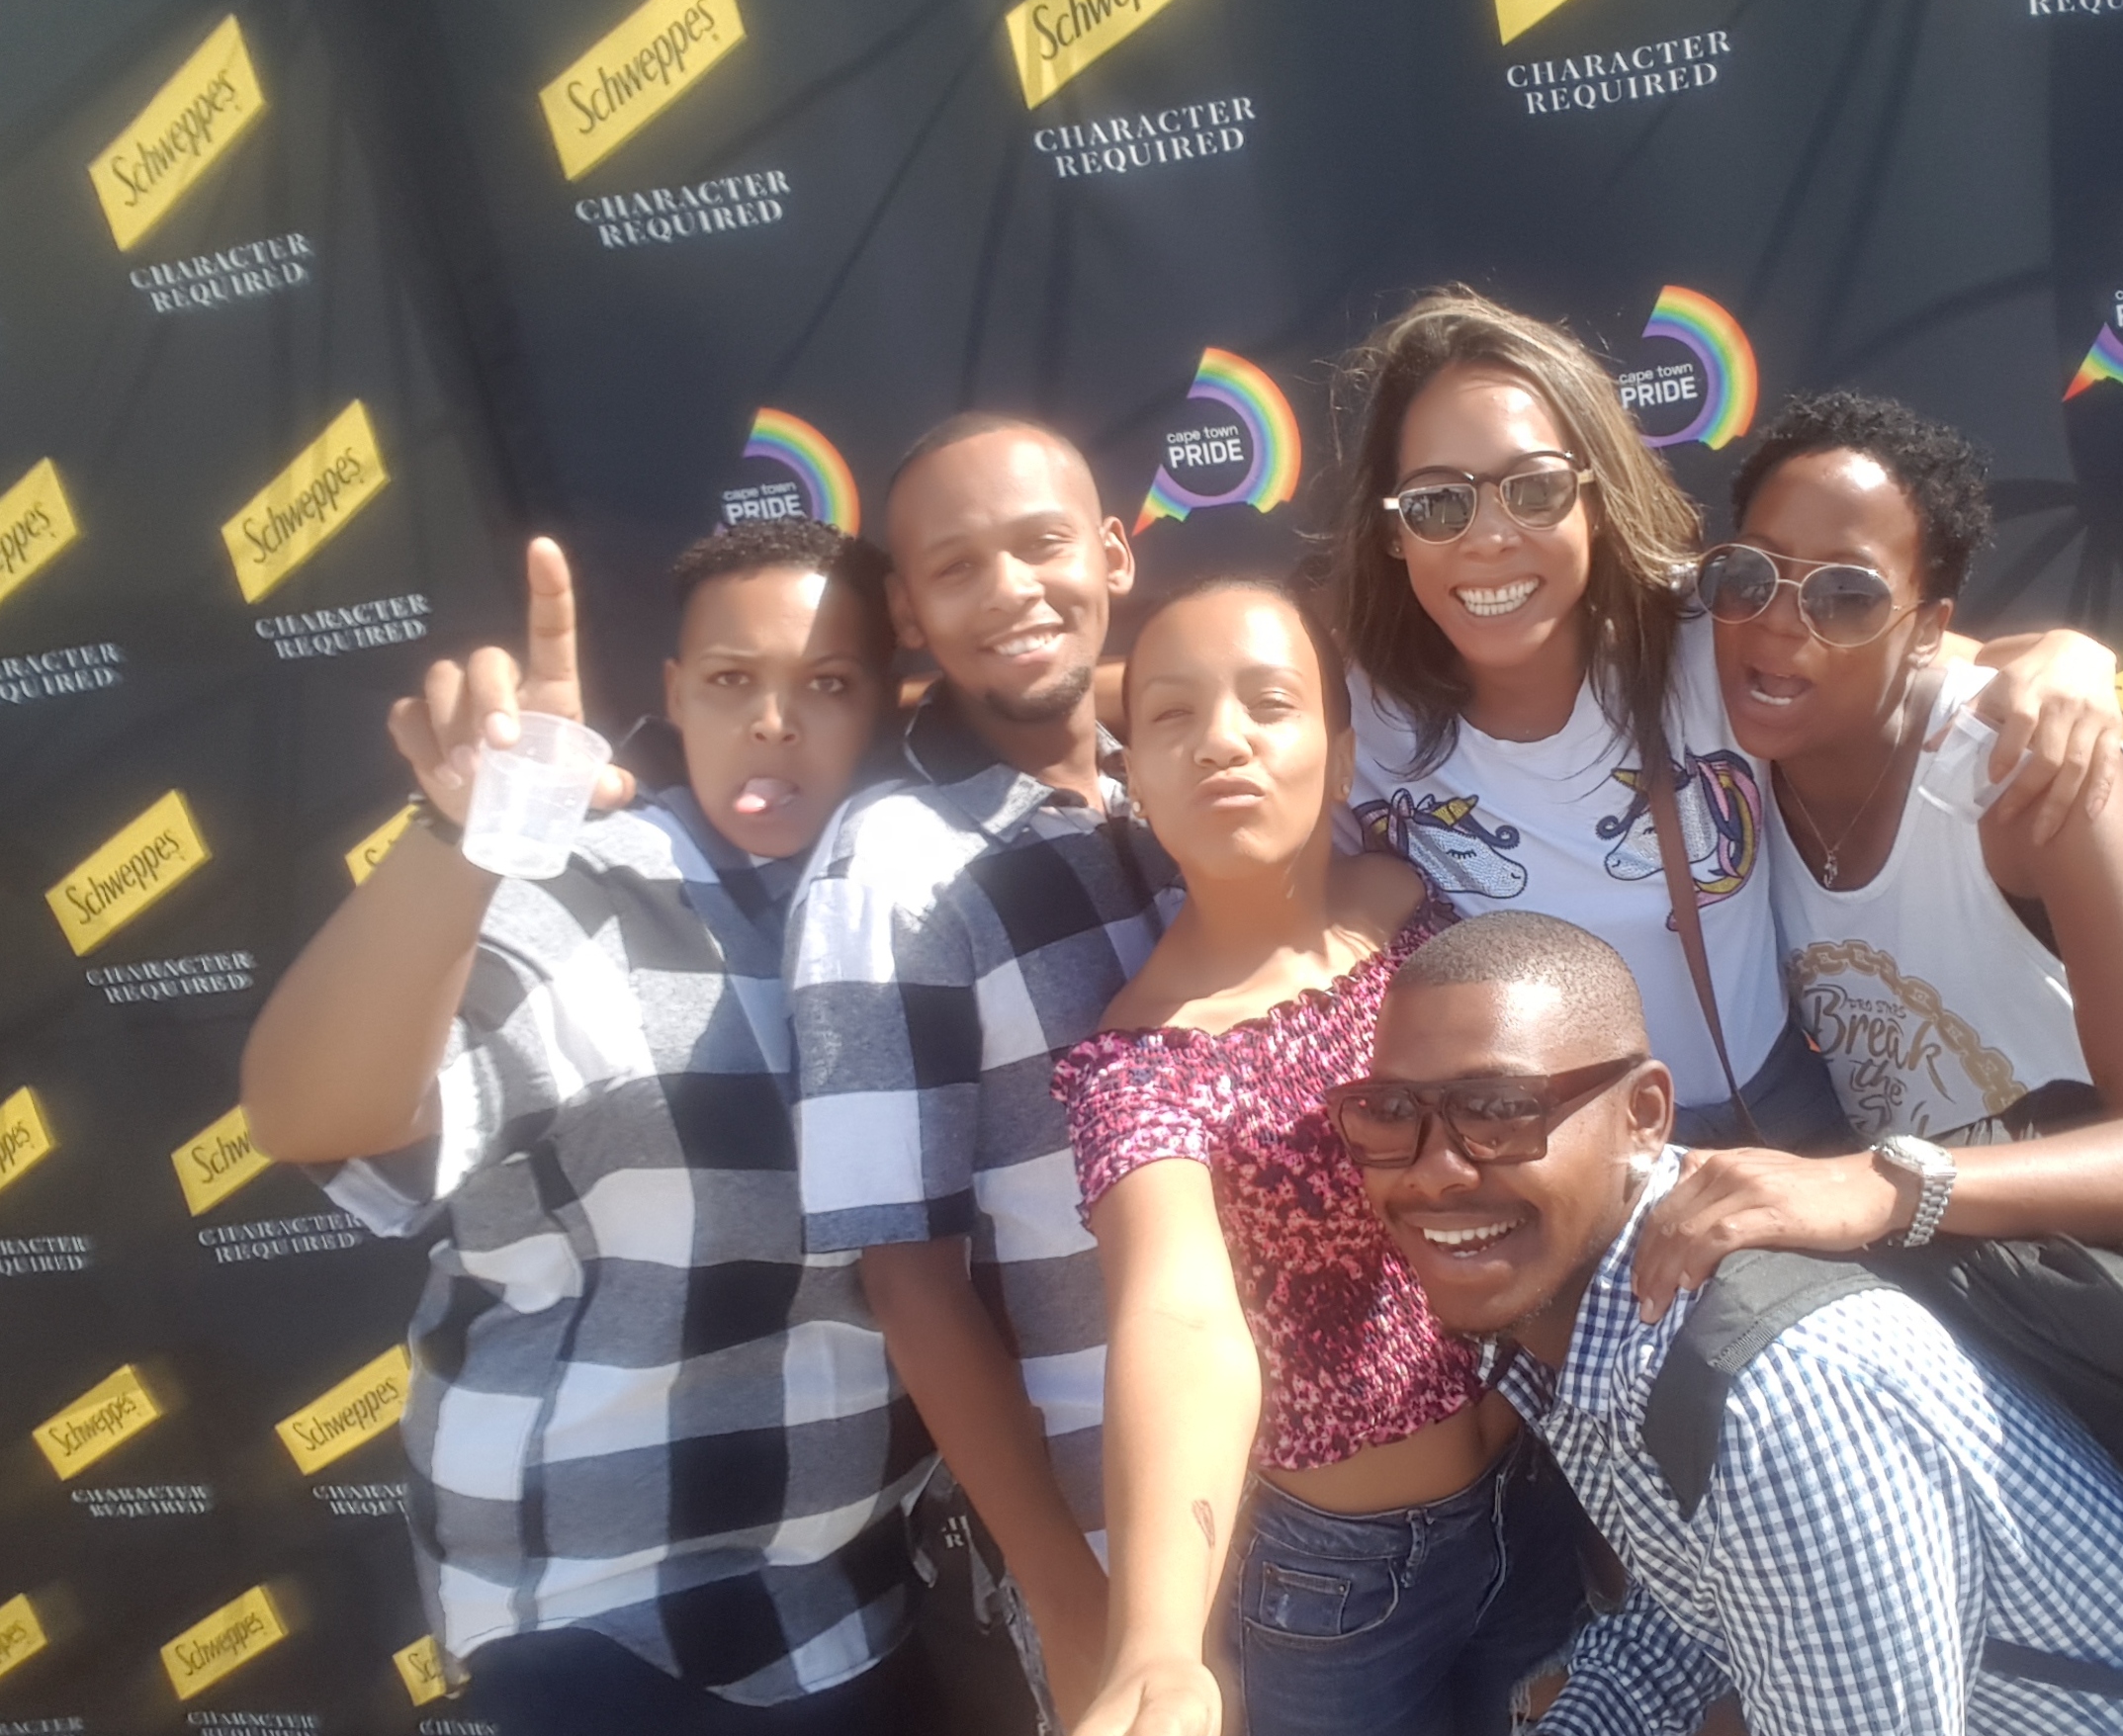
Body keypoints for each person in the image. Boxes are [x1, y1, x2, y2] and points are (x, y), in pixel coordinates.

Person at [240, 522, 922, 1734]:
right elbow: (313, 1114)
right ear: (675, 695)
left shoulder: (912, 893)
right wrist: (468, 839)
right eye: (732, 681)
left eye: (827, 684)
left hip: (858, 1606)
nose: (775, 722)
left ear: (887, 703)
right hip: (607, 1632)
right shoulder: (588, 892)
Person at [1347, 911, 2123, 1735]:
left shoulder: (1770, 1397)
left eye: (1498, 1111)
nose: (1433, 1172)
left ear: (1644, 1116)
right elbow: (1696, 1609)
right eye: (1390, 1113)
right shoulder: (1599, 1324)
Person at [1323, 289, 2123, 1145]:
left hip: (1771, 1121)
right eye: (1438, 504)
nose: (1489, 537)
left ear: (1595, 498)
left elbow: (1919, 656)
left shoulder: (1717, 625)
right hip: (1535, 1157)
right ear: (1392, 532)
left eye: (1535, 490)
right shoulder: (1345, 719)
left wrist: (2069, 655)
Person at [1055, 578, 1586, 1736]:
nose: (1223, 740)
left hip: (1545, 1488)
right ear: (1133, 778)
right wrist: (1155, 1644)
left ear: (1342, 758)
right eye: (1174, 715)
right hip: (1342, 1592)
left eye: (1269, 702)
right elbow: (1179, 1320)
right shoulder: (1142, 1062)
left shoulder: (1417, 909)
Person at [1628, 391, 2123, 1314]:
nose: (1779, 621)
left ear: (1926, 627)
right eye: (1751, 574)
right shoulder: (1731, 755)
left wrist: (1882, 1184)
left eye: (1846, 595)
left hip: (2107, 1298)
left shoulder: (2026, 774)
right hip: (1938, 1293)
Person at [786, 415, 1179, 1731]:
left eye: (1042, 543)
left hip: (1327, 1494)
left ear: (1113, 555)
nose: (1012, 590)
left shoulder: (1185, 779)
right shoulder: (888, 874)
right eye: (956, 568)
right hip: (1113, 1534)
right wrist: (1066, 1599)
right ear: (907, 612)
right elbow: (910, 1279)